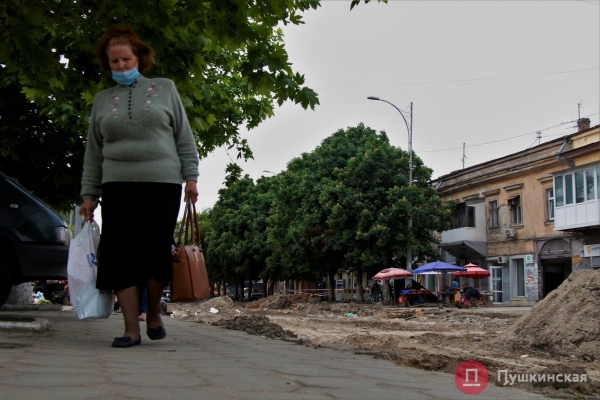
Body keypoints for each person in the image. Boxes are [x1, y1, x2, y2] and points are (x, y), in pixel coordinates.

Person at [79, 24, 199, 348]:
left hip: (162, 184)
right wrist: (89, 194)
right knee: (120, 255)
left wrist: (191, 177)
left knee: (154, 252)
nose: (120, 66)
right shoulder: (102, 100)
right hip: (117, 186)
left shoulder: (165, 89)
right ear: (107, 63)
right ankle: (130, 329)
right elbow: (93, 152)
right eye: (114, 61)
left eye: (126, 60)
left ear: (139, 58)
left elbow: (184, 136)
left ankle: (155, 313)